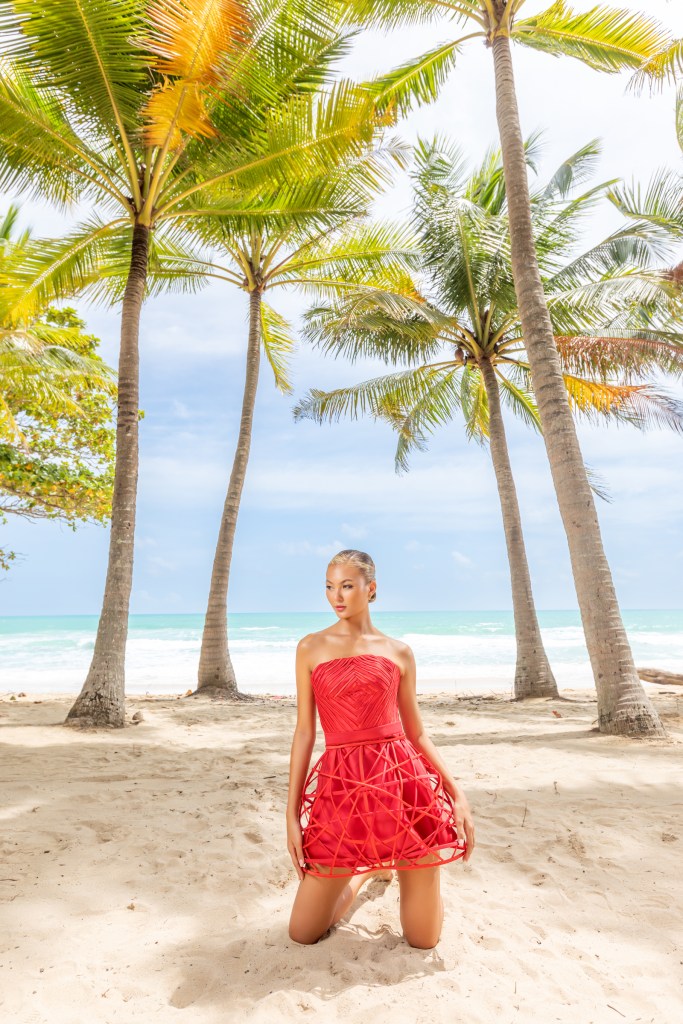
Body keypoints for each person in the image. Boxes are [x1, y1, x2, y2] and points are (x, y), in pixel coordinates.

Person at [286, 549, 475, 948]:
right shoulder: (310, 648)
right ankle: (365, 872)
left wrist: (457, 795)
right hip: (342, 786)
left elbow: (417, 734)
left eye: (348, 586)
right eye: (329, 586)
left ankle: (407, 861)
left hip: (403, 783)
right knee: (302, 933)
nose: (337, 596)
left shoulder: (398, 651)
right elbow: (305, 733)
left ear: (371, 590)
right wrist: (291, 815)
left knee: (424, 940)